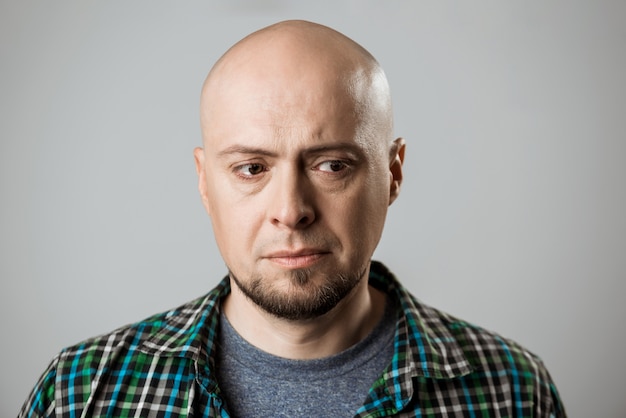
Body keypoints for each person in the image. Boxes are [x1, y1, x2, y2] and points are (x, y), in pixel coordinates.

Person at [18, 20, 566, 417]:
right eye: (252, 168)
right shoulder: (81, 393)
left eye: (331, 165)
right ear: (205, 181)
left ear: (393, 173)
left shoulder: (515, 392)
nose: (290, 211)